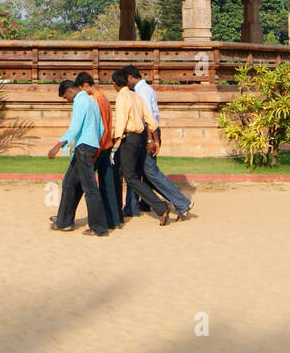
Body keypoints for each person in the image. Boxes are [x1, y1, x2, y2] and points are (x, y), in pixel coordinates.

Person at [123, 64, 194, 221]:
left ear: (130, 78)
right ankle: (138, 205)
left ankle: (182, 203)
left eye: (125, 80)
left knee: (150, 171)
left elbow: (149, 119)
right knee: (140, 171)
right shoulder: (143, 89)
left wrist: (150, 140)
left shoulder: (142, 91)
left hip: (149, 133)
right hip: (147, 134)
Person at [52, 72, 120, 229]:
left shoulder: (80, 101)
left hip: (84, 147)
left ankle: (99, 227)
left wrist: (58, 145)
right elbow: (101, 128)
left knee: (90, 188)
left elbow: (74, 127)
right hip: (89, 146)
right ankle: (64, 221)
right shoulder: (92, 101)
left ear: (69, 91)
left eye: (65, 97)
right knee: (69, 183)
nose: (67, 101)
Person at [110, 68, 171, 225]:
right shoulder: (136, 96)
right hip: (139, 138)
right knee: (117, 170)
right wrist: (154, 140)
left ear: (115, 83)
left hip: (129, 139)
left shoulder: (122, 96)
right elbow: (151, 120)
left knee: (130, 177)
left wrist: (113, 141)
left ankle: (160, 206)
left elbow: (121, 121)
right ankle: (116, 210)